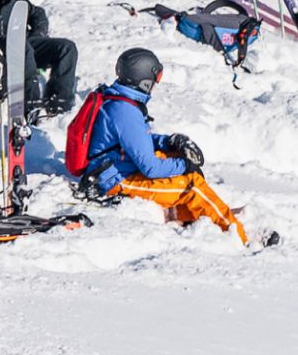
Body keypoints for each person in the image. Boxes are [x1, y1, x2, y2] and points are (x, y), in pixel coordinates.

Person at [77, 48, 270, 246]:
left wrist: (169, 142)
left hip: (116, 167)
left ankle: (208, 216)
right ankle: (241, 238)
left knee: (175, 159)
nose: (154, 86)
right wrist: (185, 165)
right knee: (192, 184)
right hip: (113, 181)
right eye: (154, 80)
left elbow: (137, 141)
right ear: (144, 82)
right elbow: (151, 168)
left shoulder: (121, 102)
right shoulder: (126, 112)